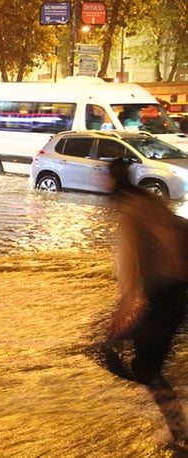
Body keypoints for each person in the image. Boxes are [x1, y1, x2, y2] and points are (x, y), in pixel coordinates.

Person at [103, 158, 188, 449]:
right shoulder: (150, 201)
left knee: (143, 366)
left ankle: (180, 431)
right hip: (174, 291)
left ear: (111, 181)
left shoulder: (129, 211)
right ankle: (177, 424)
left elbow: (133, 261)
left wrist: (125, 307)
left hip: (165, 293)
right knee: (144, 364)